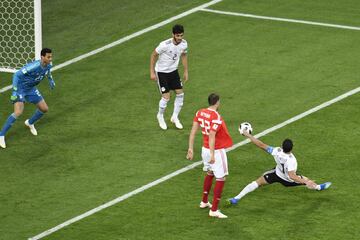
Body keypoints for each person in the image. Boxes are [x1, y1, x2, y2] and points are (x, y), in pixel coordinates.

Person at [228, 129, 331, 205]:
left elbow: (261, 145)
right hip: (287, 180)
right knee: (306, 179)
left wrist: (248, 135)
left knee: (256, 183)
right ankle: (318, 187)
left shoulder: (277, 151)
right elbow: (292, 176)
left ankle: (236, 198)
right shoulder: (292, 160)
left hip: (276, 174)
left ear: (282, 146)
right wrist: (305, 181)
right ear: (292, 148)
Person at [187, 93, 233, 218]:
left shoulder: (199, 112)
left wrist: (190, 148)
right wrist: (213, 154)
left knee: (210, 173)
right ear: (217, 102)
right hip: (216, 150)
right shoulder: (216, 116)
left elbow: (193, 131)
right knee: (221, 178)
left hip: (204, 149)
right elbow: (212, 135)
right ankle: (214, 210)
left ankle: (204, 201)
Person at [0, 48, 55, 148]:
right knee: (18, 112)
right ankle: (1, 135)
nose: (51, 59)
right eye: (49, 57)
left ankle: (30, 123)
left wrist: (51, 80)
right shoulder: (34, 66)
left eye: (51, 56)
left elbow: (48, 71)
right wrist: (14, 90)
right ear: (42, 57)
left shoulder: (49, 64)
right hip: (20, 88)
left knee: (44, 108)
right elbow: (16, 75)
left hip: (31, 89)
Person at [150, 24, 188, 130]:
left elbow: (184, 55)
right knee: (166, 97)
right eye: (178, 36)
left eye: (181, 35)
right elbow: (153, 55)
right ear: (173, 35)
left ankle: (174, 117)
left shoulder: (184, 44)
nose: (180, 38)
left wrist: (186, 71)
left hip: (173, 71)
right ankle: (160, 116)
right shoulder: (164, 45)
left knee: (180, 94)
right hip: (162, 72)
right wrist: (152, 72)